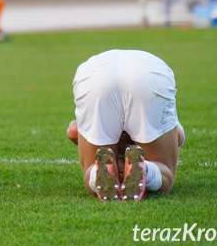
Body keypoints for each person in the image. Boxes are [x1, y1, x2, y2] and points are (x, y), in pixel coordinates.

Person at [66, 49, 185, 201]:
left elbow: (73, 131)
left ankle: (98, 172)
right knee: (164, 171)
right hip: (149, 72)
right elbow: (177, 137)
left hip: (95, 73)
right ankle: (146, 170)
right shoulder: (171, 127)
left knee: (91, 167)